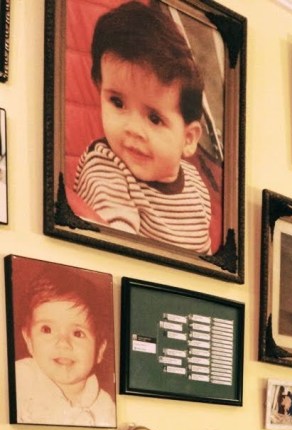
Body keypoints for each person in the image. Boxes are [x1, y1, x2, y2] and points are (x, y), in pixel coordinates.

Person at [74, 1, 212, 255]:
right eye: (117, 103)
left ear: (188, 139)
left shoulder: (195, 184)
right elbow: (118, 249)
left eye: (154, 118)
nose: (133, 129)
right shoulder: (104, 166)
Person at [14, 266, 115, 427]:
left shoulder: (105, 406)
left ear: (100, 351)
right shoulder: (19, 381)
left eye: (78, 333)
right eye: (47, 330)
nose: (63, 343)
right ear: (29, 340)